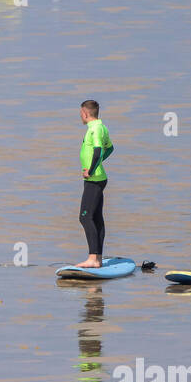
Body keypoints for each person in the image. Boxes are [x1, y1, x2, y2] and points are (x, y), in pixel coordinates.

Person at [75, 100, 113, 269]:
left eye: (80, 114)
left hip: (94, 179)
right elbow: (110, 149)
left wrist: (90, 170)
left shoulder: (95, 129)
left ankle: (93, 258)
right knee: (96, 218)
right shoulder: (101, 126)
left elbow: (98, 151)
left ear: (85, 113)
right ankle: (97, 258)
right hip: (97, 178)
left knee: (85, 217)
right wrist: (97, 165)